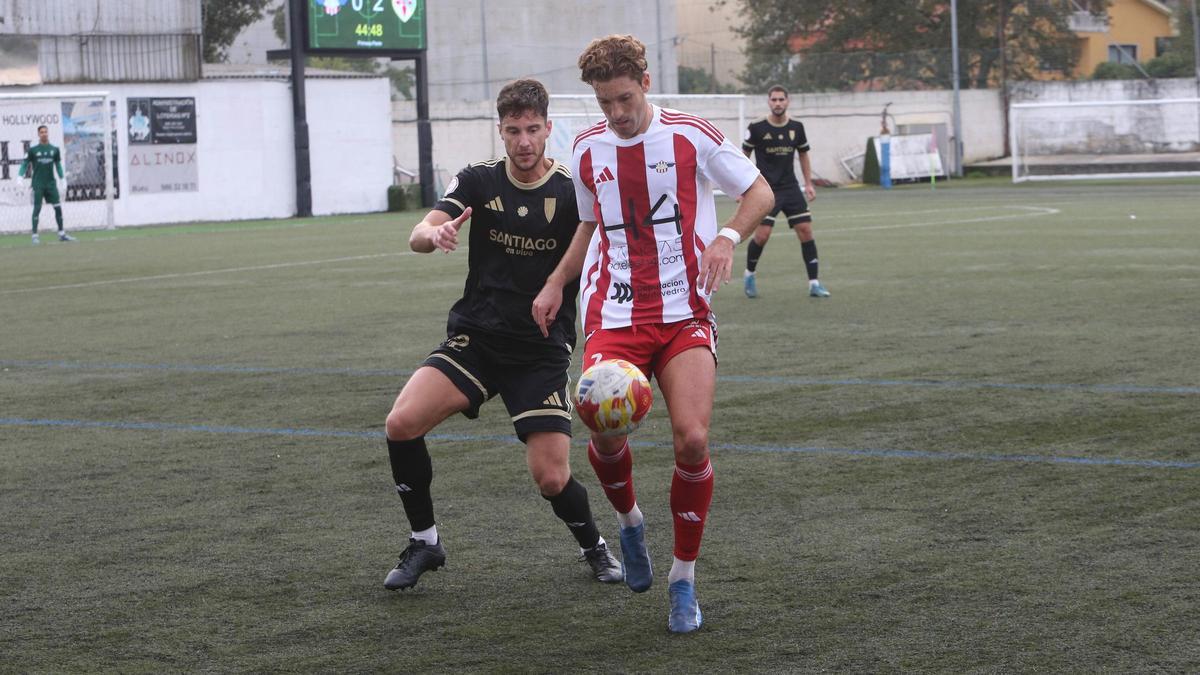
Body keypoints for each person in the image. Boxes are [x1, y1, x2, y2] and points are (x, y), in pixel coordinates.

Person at [532, 34, 774, 633]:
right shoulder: (587, 150)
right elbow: (588, 228)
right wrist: (556, 283)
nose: (614, 113)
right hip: (614, 315)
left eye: (621, 97)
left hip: (684, 312)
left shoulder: (691, 134)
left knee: (692, 440)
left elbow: (760, 191)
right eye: (602, 102)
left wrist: (727, 237)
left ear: (643, 80)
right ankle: (631, 521)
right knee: (605, 431)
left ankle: (683, 580)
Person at [381, 79, 623, 591]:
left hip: (538, 350)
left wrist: (558, 285)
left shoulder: (569, 189)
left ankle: (595, 547)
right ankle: (425, 542)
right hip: (477, 339)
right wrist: (435, 233)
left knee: (551, 478)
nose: (524, 141)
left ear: (548, 129)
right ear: (501, 131)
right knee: (401, 423)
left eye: (533, 129)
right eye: (513, 131)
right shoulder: (477, 180)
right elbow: (418, 234)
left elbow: (591, 244)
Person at [740, 85, 828, 298]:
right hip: (765, 190)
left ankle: (814, 283)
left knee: (805, 230)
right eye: (774, 100)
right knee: (762, 235)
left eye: (781, 100)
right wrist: (742, 187)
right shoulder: (757, 127)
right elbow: (743, 156)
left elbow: (804, 155)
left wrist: (808, 183)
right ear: (769, 102)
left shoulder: (797, 127)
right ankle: (749, 274)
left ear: (788, 101)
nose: (778, 103)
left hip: (790, 188)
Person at [19, 125, 74, 244]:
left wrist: (62, 179)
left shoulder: (54, 149)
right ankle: (34, 235)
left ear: (48, 133)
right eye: (41, 132)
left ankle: (62, 234)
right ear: (38, 134)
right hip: (38, 184)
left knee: (58, 208)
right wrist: (20, 176)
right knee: (37, 208)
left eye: (45, 132)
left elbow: (58, 166)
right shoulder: (33, 150)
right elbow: (24, 164)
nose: (44, 134)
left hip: (51, 184)